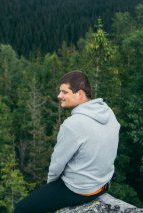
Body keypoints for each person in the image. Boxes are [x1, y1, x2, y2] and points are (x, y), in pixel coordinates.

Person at [14, 70, 120, 213]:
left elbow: (57, 165)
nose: (59, 96)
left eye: (64, 92)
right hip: (103, 184)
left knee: (21, 209)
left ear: (80, 94)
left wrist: (50, 189)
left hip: (81, 190)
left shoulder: (73, 124)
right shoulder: (108, 112)